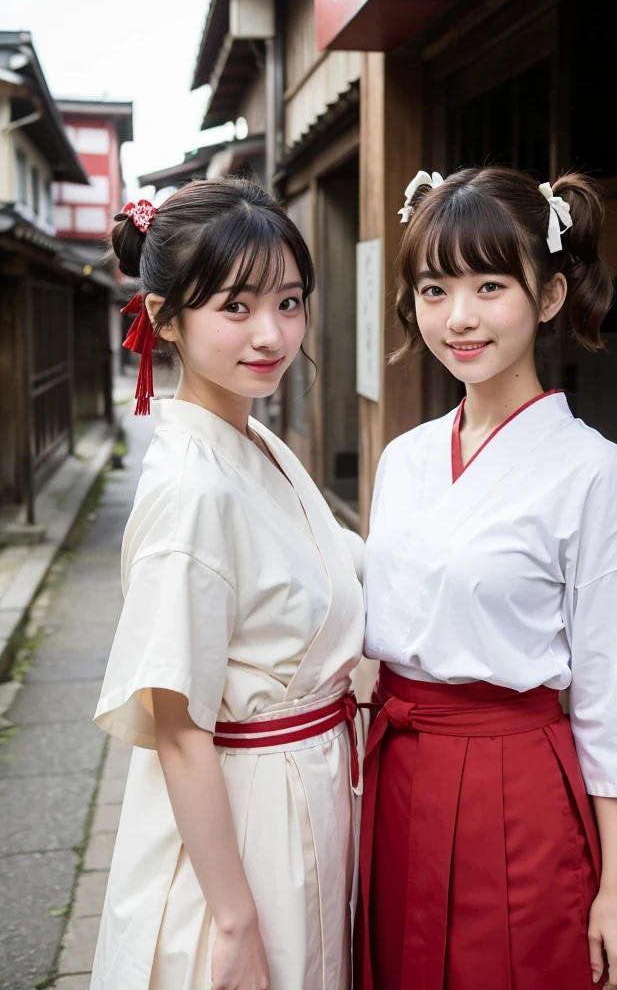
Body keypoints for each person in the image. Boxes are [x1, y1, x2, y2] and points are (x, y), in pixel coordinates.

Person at [356, 166, 617, 990]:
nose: (458, 317)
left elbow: (615, 690)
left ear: (548, 297)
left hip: (514, 785)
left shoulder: (591, 471)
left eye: (490, 284)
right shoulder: (405, 458)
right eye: (434, 288)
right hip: (396, 779)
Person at [90, 178, 365, 990]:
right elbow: (178, 726)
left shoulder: (257, 447)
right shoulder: (194, 489)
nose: (271, 334)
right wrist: (236, 921)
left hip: (298, 790)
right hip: (246, 823)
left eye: (289, 301)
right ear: (165, 319)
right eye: (235, 307)